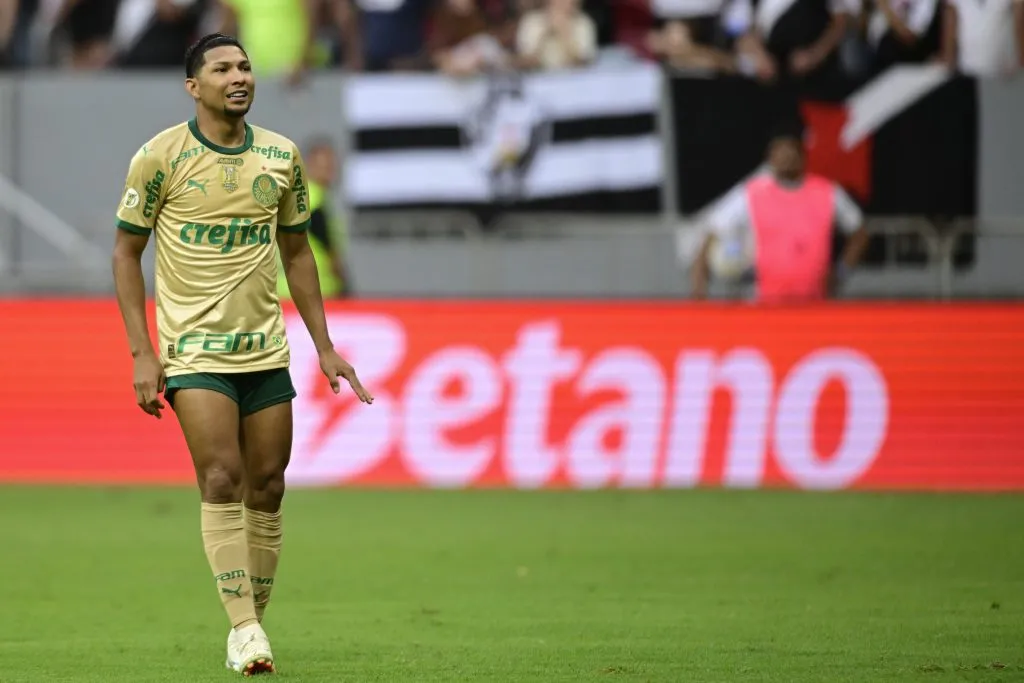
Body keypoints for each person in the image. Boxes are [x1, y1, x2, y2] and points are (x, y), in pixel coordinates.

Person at [110, 33, 374, 676]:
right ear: (193, 86)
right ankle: (248, 629)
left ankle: (245, 625)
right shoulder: (159, 157)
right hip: (194, 350)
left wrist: (325, 345)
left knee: (268, 486)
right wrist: (143, 352)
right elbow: (125, 254)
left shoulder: (281, 158)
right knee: (222, 476)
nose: (239, 76)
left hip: (265, 351)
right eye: (222, 67)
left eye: (246, 66)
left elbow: (296, 252)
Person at [692, 123, 870, 302]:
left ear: (803, 155)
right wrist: (699, 289)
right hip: (764, 304)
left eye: (792, 149)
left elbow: (859, 234)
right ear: (770, 157)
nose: (787, 156)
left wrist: (840, 272)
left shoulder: (828, 192)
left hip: (815, 303)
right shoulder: (750, 194)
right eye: (780, 150)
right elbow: (711, 233)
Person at [277, 137, 354, 300]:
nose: (329, 171)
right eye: (323, 166)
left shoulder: (292, 195)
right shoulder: (314, 200)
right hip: (318, 291)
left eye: (331, 166)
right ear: (309, 165)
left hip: (285, 290)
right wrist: (344, 284)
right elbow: (330, 252)